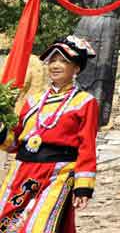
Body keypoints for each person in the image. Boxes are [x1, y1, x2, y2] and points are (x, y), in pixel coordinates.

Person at [0, 35, 99, 232]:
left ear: (76, 68)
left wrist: (83, 185)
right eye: (52, 60)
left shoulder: (85, 102)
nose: (55, 65)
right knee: (5, 223)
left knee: (40, 226)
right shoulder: (33, 101)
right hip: (22, 171)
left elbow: (87, 145)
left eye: (63, 61)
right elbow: (14, 143)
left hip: (58, 173)